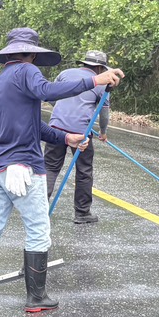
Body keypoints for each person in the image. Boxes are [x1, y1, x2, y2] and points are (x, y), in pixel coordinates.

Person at [0, 28, 123, 314]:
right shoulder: (27, 71)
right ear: (33, 53)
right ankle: (36, 297)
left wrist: (66, 138)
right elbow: (47, 91)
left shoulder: (3, 80)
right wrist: (95, 80)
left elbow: (34, 125)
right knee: (37, 231)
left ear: (10, 52)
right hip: (23, 167)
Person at [45, 50, 123, 225]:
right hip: (81, 132)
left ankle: (39, 210)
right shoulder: (102, 84)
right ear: (99, 68)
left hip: (55, 128)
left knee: (50, 167)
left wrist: (62, 109)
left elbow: (50, 96)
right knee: (84, 171)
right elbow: (104, 114)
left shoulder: (64, 74)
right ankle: (82, 213)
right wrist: (103, 133)